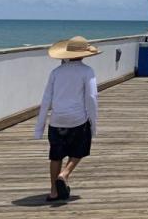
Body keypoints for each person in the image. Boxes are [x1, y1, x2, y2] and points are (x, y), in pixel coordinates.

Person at [34, 36, 100, 202]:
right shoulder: (87, 71)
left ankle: (53, 191)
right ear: (84, 55)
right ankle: (65, 174)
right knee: (80, 148)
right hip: (77, 119)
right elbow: (91, 98)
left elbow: (46, 98)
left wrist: (39, 127)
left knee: (55, 155)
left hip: (56, 120)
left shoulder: (56, 72)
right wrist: (93, 123)